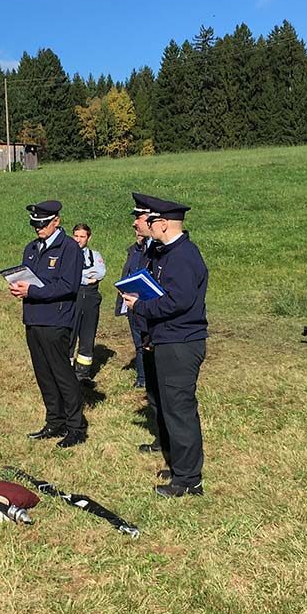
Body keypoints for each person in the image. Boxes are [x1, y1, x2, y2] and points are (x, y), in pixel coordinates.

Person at [120, 192, 208, 498]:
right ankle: (178, 466)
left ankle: (188, 479)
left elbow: (177, 302)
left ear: (165, 224)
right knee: (170, 408)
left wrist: (138, 307)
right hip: (165, 339)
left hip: (181, 342)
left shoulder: (184, 256)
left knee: (180, 410)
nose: (145, 223)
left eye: (151, 219)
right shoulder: (165, 252)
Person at [8, 200, 86, 447]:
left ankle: (76, 426)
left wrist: (32, 291)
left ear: (56, 221)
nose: (37, 228)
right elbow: (27, 277)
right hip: (33, 318)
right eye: (34, 224)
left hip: (56, 320)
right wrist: (19, 288)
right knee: (43, 374)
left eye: (42, 224)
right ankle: (55, 421)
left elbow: (68, 286)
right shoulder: (31, 248)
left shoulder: (69, 248)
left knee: (62, 374)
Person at [116, 202, 154, 391]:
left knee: (149, 342)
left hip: (148, 303)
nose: (135, 227)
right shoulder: (134, 250)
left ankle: (148, 377)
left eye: (138, 219)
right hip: (132, 303)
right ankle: (142, 377)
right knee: (139, 342)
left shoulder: (155, 249)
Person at [68, 224, 106, 384]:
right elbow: (68, 275)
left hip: (90, 298)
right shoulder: (67, 254)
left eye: (82, 236)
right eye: (76, 236)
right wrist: (84, 277)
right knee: (69, 335)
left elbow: (100, 273)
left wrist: (79, 276)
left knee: (87, 336)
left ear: (88, 238)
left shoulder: (94, 254)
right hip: (73, 297)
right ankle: (66, 371)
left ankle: (82, 374)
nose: (78, 239)